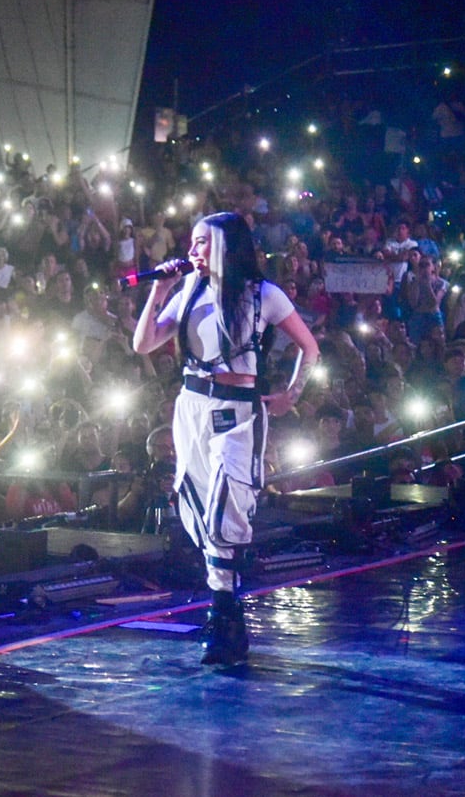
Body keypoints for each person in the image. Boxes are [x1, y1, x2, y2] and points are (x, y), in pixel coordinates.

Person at [132, 211, 319, 665]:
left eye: (201, 243)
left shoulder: (263, 295)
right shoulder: (187, 290)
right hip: (192, 407)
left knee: (225, 510)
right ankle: (227, 613)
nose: (192, 251)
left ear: (226, 246)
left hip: (238, 412)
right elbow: (143, 344)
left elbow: (309, 348)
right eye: (191, 243)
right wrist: (158, 289)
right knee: (196, 506)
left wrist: (292, 394)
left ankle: (224, 610)